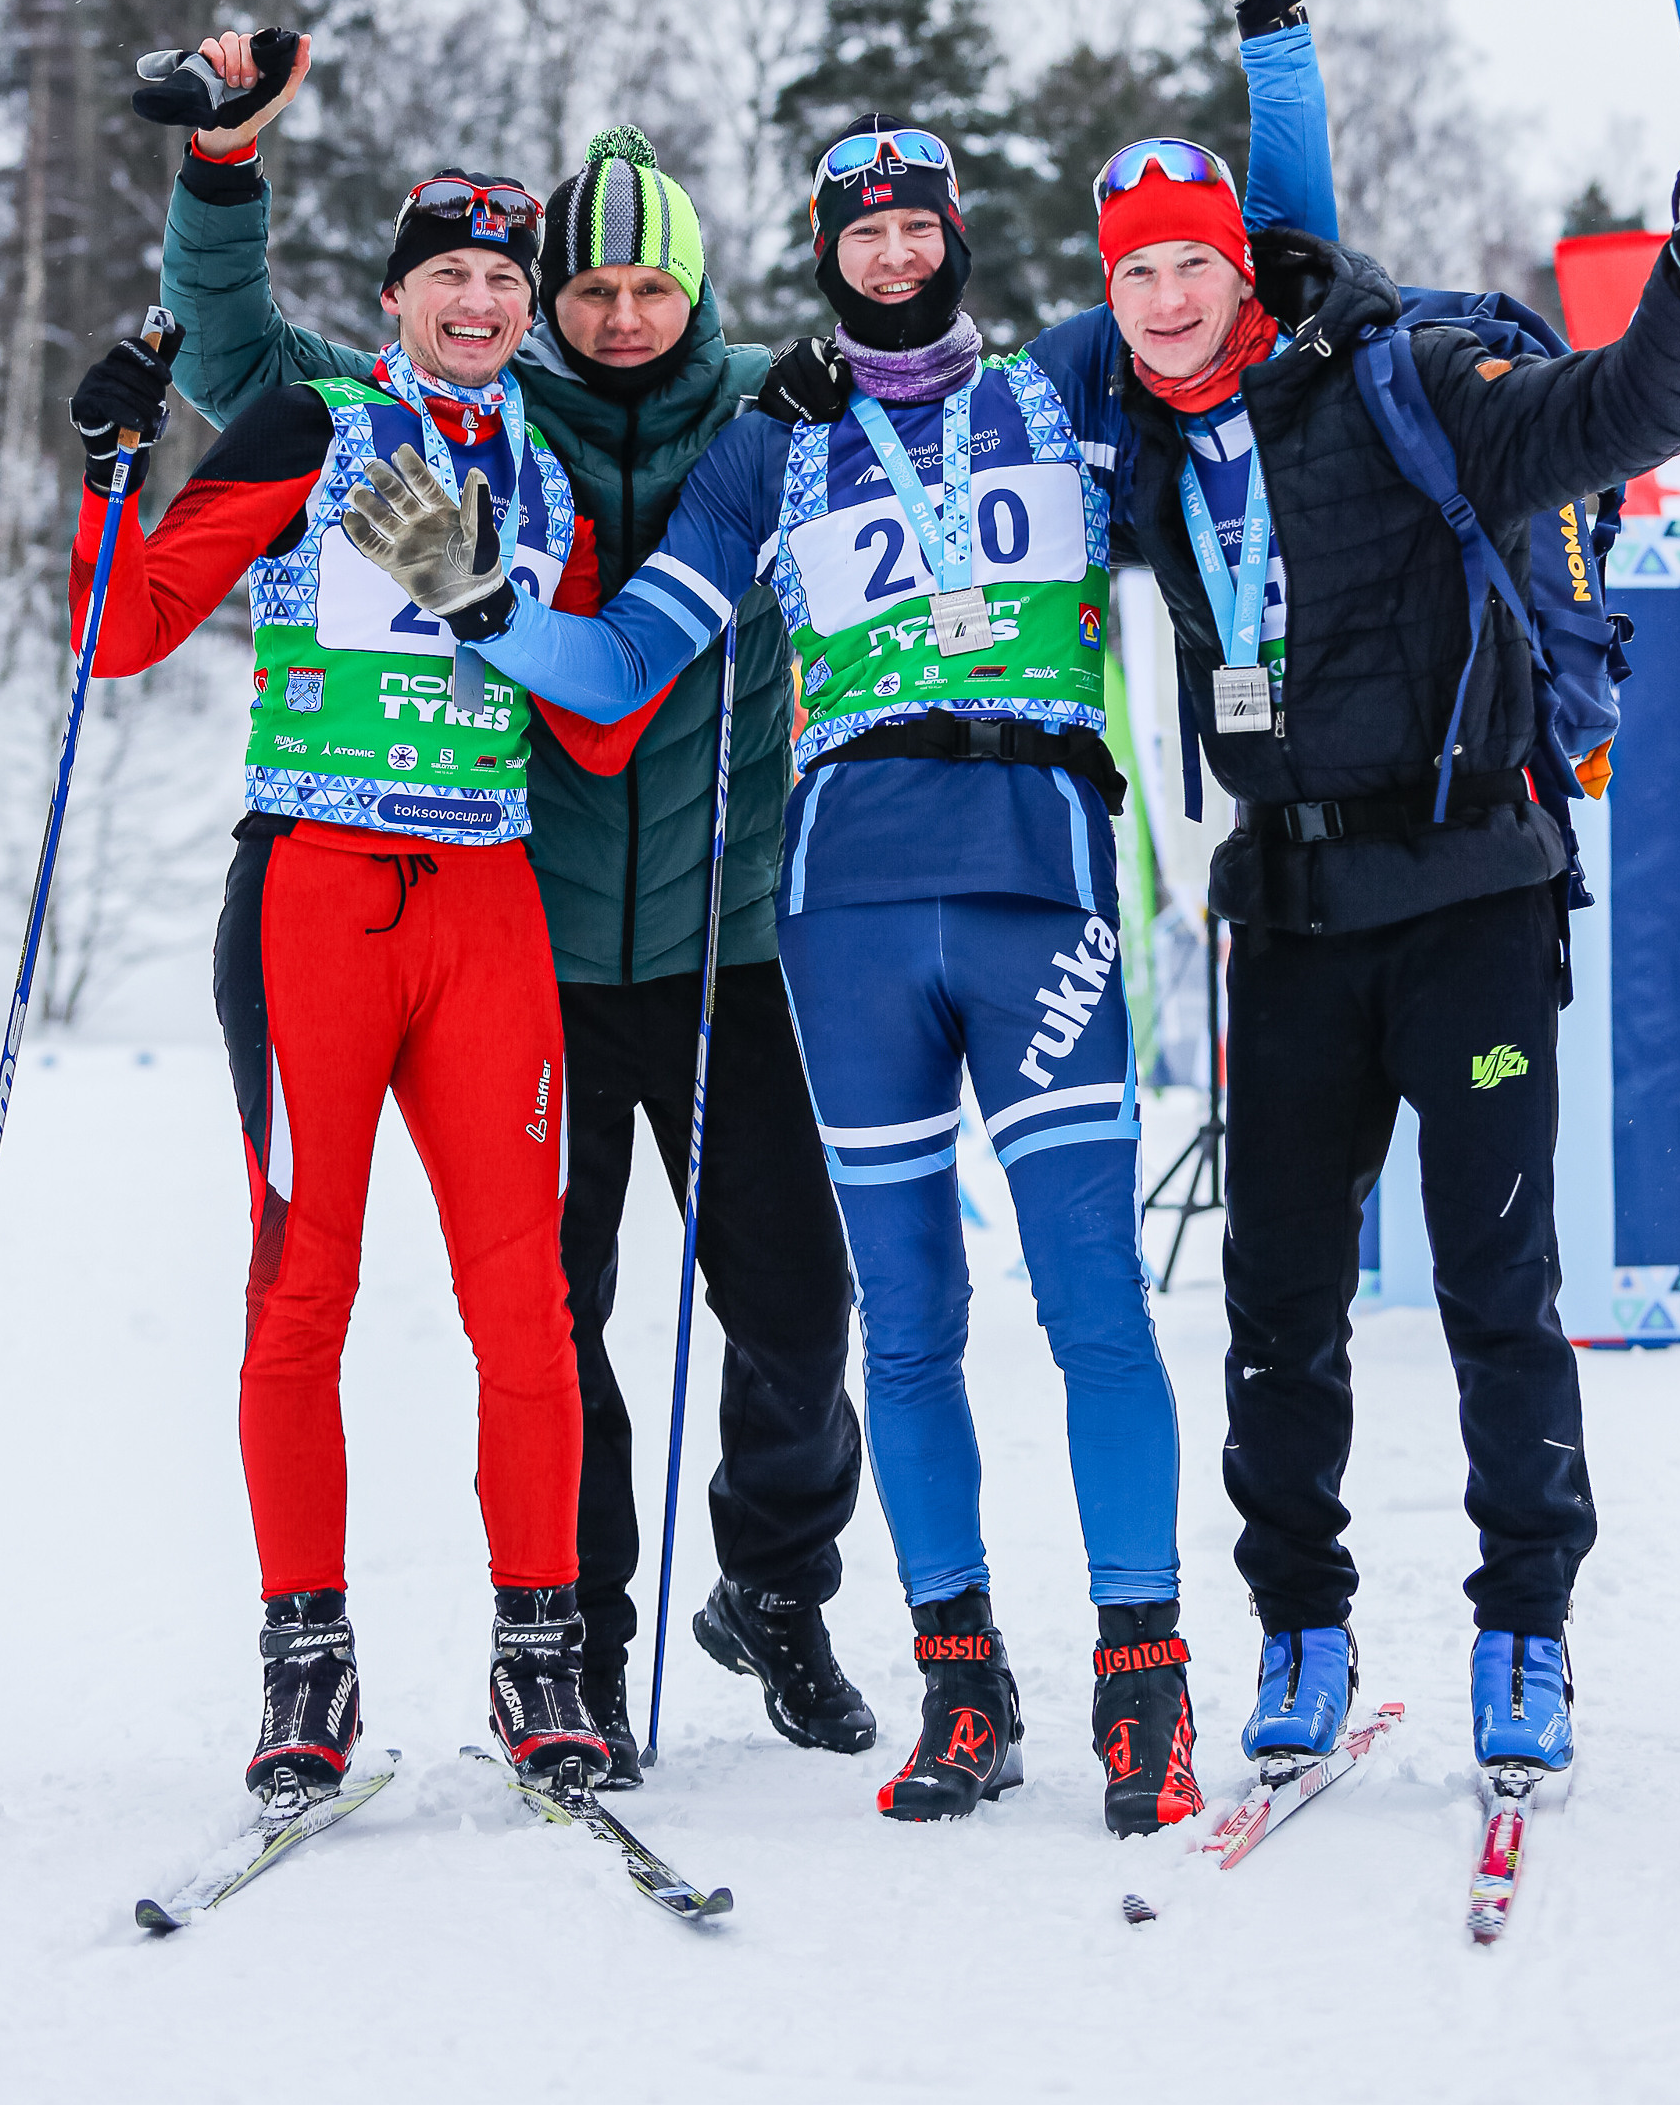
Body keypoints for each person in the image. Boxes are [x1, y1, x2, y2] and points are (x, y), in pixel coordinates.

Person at [342, 105, 1240, 1838]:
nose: (892, 255)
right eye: (859, 232)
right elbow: (612, 672)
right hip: (841, 915)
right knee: (903, 1324)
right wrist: (477, 600)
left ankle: (1147, 1677)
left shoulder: (1059, 379)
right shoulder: (768, 445)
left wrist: (1265, 52)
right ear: (822, 252)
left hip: (1038, 883)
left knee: (1088, 1300)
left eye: (917, 226)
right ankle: (960, 1684)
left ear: (958, 233)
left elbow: (1201, 296)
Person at [1075, 0, 1680, 1777]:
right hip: (1284, 926)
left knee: (1493, 1289)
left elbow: (1610, 419)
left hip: (1466, 900)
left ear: (1246, 261)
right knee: (1278, 1308)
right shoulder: (1147, 446)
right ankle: (1297, 1624)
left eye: (1192, 262)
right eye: (1133, 276)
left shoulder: (1408, 373)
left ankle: (1522, 1631)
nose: (1165, 299)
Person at [157, 85, 869, 1786]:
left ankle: (771, 1586)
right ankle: (575, 1651)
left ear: (694, 295)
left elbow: (921, 381)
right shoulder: (451, 409)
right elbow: (237, 342)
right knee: (555, 1306)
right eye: (582, 293)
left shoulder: (757, 424)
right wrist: (219, 172)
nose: (615, 318)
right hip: (524, 933)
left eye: (651, 292)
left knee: (794, 1305)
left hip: (720, 944)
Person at [64, 124, 678, 1805]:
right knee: (301, 1291)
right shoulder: (313, 426)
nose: (481, 301)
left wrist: (502, 611)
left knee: (527, 1303)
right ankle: (305, 1668)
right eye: (450, 276)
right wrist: (116, 465)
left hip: (488, 908)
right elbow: (118, 630)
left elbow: (606, 728)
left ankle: (542, 1662)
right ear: (394, 297)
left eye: (505, 279)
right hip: (314, 900)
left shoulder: (547, 469)